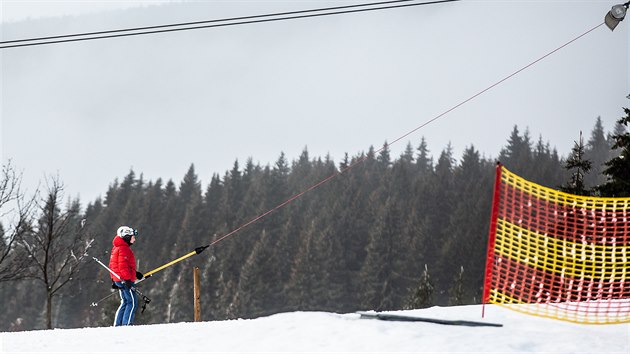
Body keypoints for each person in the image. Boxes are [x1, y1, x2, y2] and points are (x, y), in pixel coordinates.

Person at [109, 226, 144, 326]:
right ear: (126, 237)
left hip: (120, 279)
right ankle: (127, 324)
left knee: (125, 301)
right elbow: (122, 266)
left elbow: (115, 265)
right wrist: (128, 279)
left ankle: (118, 324)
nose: (134, 239)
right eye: (132, 237)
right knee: (132, 302)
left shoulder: (117, 247)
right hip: (124, 280)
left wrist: (135, 273)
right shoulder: (124, 249)